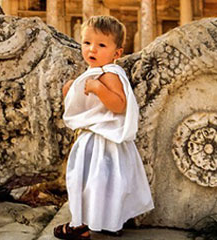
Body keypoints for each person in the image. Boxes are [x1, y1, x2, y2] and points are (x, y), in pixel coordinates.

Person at [55, 15, 154, 239]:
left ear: (117, 53)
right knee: (104, 185)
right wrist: (72, 90)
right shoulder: (96, 73)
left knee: (90, 184)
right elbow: (83, 104)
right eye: (87, 43)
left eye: (101, 45)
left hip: (103, 141)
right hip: (99, 140)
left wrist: (99, 89)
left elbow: (119, 105)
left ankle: (81, 225)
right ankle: (109, 222)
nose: (92, 49)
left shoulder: (110, 74)